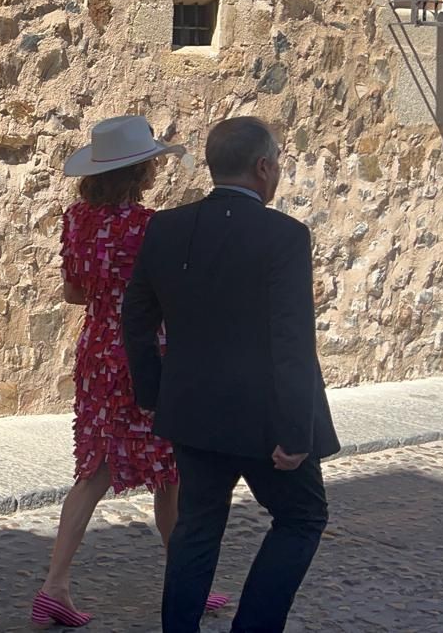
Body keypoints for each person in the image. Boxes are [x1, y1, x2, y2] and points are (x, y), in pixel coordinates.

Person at [122, 116, 340, 633]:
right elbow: (291, 339)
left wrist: (153, 392)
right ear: (264, 167)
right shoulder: (284, 235)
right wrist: (296, 430)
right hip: (265, 419)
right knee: (302, 518)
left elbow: (135, 318)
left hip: (192, 411)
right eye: (279, 163)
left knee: (196, 527)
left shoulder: (167, 227)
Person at [33, 116, 228, 628]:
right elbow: (173, 295)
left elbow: (74, 292)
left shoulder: (76, 220)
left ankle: (55, 584)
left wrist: (107, 293)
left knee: (95, 470)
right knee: (169, 471)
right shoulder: (149, 227)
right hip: (149, 352)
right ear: (141, 171)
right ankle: (189, 584)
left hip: (98, 350)